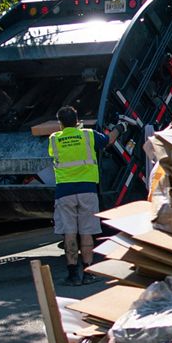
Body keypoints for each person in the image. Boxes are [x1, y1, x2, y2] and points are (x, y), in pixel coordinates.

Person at [47, 106, 108, 286]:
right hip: (87, 190)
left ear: (60, 123)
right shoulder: (88, 135)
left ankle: (73, 275)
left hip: (64, 193)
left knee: (70, 233)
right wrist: (120, 129)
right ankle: (88, 272)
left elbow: (53, 154)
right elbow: (108, 140)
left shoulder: (54, 139)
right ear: (77, 120)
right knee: (87, 232)